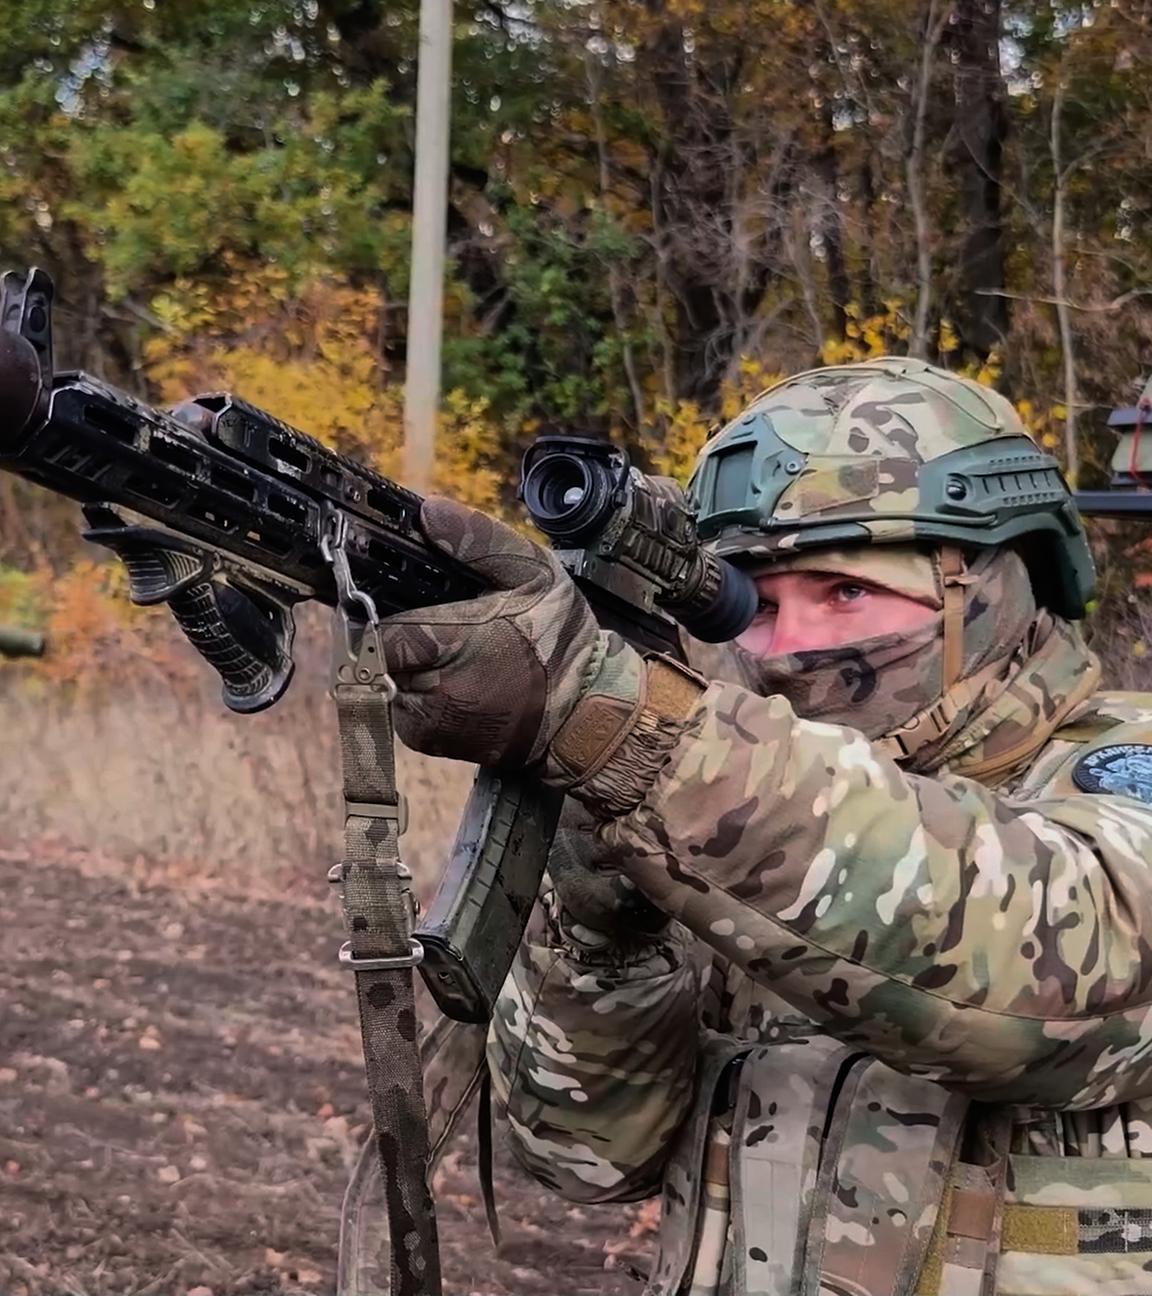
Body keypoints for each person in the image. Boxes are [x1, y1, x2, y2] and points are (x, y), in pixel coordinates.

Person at [378, 357, 1152, 1295]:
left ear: (991, 584)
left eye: (846, 592)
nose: (787, 652)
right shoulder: (706, 796)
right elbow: (588, 1158)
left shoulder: (1117, 764)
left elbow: (1058, 978)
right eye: (756, 606)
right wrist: (601, 932)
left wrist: (622, 724)